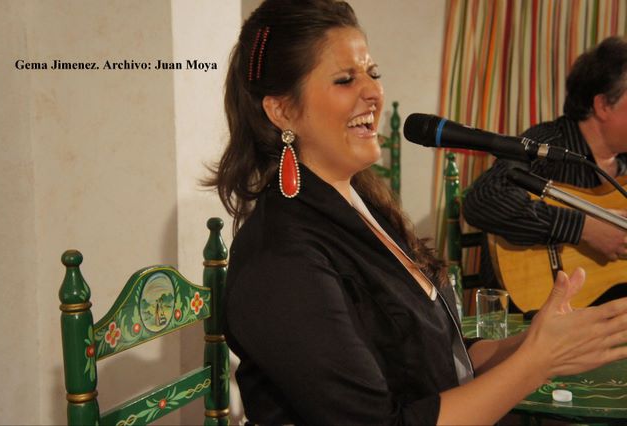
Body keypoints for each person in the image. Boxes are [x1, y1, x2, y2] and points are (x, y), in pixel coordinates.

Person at [206, 2, 627, 424]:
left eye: (373, 73)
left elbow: (442, 359)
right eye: (345, 79)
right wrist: (538, 362)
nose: (373, 93)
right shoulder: (282, 258)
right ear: (282, 110)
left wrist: (541, 340)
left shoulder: (367, 207)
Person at [464, 36, 627, 303]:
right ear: (603, 105)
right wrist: (584, 228)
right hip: (534, 314)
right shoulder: (546, 145)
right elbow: (483, 200)